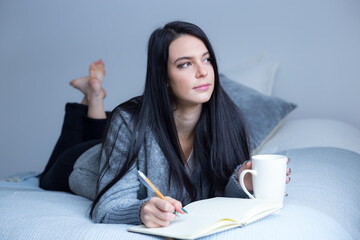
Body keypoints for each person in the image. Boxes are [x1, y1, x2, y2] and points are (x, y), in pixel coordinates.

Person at [39, 21, 291, 228]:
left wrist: (241, 183)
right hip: (81, 163)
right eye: (185, 64)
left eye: (206, 60)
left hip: (115, 145)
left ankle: (94, 96)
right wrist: (141, 211)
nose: (202, 72)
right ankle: (92, 97)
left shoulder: (229, 118)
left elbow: (216, 194)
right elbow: (107, 206)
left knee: (103, 135)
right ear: (164, 78)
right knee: (51, 172)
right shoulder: (128, 122)